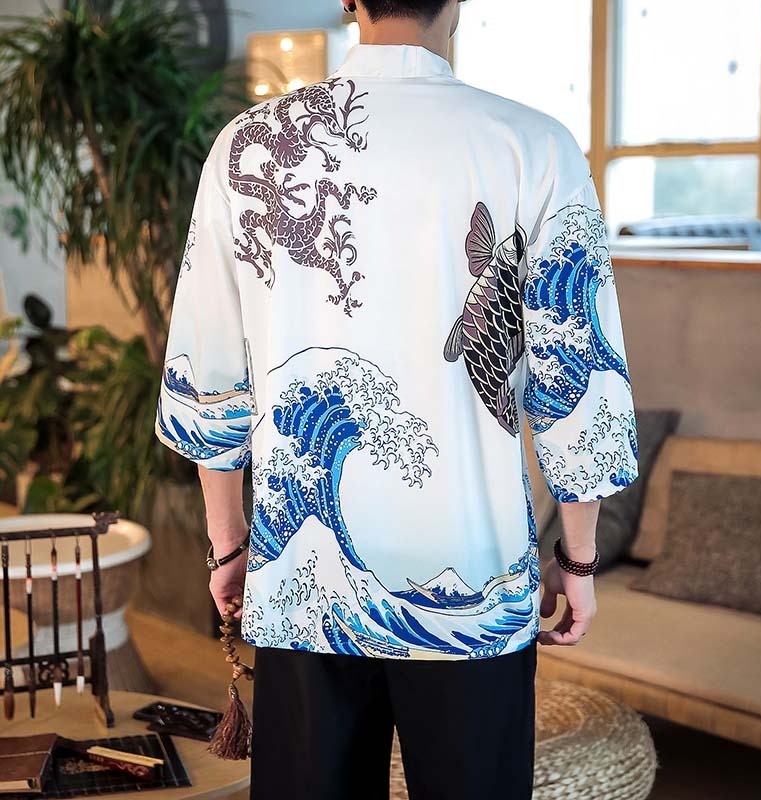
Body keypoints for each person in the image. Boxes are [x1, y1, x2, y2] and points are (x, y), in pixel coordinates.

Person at [154, 1, 639, 797]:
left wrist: (229, 544)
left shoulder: (247, 145)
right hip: (474, 581)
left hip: (304, 572)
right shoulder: (531, 143)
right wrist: (577, 559)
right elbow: (577, 378)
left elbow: (210, 373)